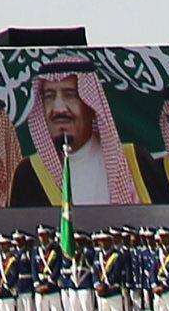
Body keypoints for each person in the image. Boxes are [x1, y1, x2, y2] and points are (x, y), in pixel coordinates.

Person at [30, 66, 148, 211]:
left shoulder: (134, 159)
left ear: (91, 106)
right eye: (49, 96)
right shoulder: (29, 172)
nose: (58, 108)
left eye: (70, 95)